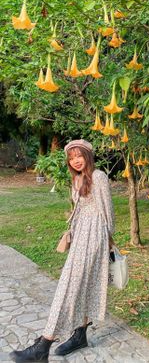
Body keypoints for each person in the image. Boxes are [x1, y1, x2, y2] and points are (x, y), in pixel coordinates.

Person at [10, 139, 115, 363]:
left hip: (95, 238)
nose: (76, 161)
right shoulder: (76, 179)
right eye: (71, 157)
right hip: (80, 237)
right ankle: (80, 335)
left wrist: (106, 243)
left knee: (69, 288)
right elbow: (77, 210)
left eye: (79, 156)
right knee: (81, 286)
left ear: (88, 156)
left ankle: (43, 346)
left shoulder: (99, 177)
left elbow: (108, 214)